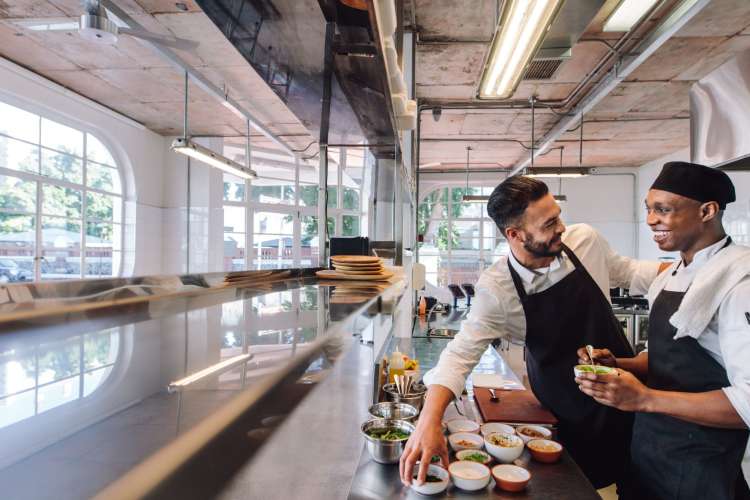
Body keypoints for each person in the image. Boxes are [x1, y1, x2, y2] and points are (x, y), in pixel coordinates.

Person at [400, 175, 665, 489]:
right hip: (566, 416)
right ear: (514, 234)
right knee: (578, 486)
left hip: (632, 396)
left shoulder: (584, 241)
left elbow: (629, 272)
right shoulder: (498, 288)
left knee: (643, 483)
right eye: (549, 223)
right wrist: (428, 421)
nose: (561, 228)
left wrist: (696, 269)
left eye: (558, 216)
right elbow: (459, 356)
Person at [576, 161, 750, 499]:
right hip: (650, 452)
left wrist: (645, 398)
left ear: (707, 211)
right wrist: (620, 365)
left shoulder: (738, 280)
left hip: (702, 466)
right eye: (649, 210)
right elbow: (672, 360)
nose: (651, 219)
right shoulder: (670, 275)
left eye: (663, 209)